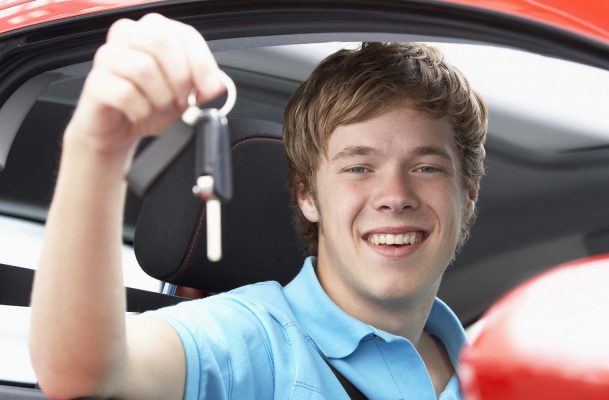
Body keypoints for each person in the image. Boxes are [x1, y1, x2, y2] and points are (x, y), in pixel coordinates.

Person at [29, 13, 487, 400]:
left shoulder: (499, 366)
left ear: (467, 197)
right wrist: (97, 147)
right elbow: (86, 369)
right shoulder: (249, 339)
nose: (395, 195)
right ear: (307, 195)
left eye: (427, 168)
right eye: (358, 168)